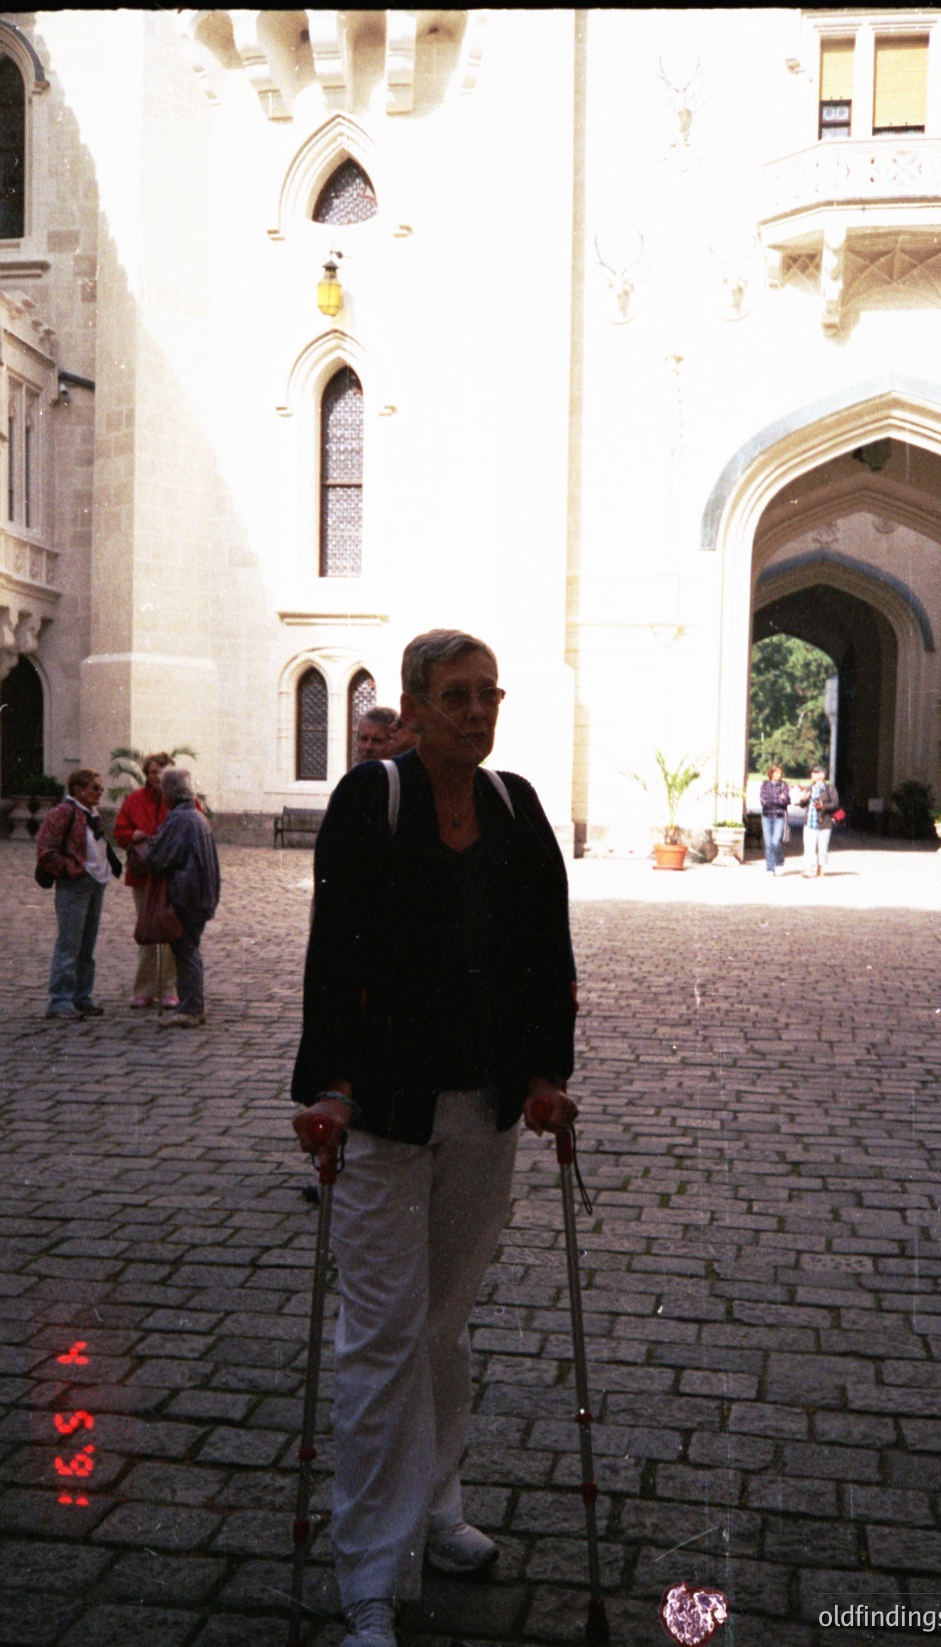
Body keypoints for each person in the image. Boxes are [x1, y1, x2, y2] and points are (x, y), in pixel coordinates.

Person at [291, 628, 577, 1647]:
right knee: (379, 1337)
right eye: (454, 696)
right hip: (382, 1110)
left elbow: (548, 949)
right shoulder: (374, 802)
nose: (475, 711)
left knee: (445, 1325)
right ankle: (370, 1567)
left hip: (484, 1104)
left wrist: (548, 1073)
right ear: (410, 708)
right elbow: (337, 949)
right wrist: (326, 1083)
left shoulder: (515, 805)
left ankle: (439, 1506)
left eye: (486, 694)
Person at [36, 768, 121, 1020]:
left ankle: (81, 996)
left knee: (87, 945)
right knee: (70, 943)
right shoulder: (63, 813)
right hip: (76, 884)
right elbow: (45, 850)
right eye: (95, 788)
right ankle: (59, 1000)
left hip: (96, 883)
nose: (100, 792)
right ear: (78, 790)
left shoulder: (92, 813)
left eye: (100, 788)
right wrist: (72, 870)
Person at [143, 767, 221, 1028]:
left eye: (162, 790)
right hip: (200, 895)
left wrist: (145, 849)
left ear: (170, 792)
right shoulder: (195, 816)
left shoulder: (180, 819)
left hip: (186, 896)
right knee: (189, 950)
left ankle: (190, 1008)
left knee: (185, 951)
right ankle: (193, 1006)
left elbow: (159, 858)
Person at [113, 752, 179, 1010]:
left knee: (171, 933)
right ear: (146, 774)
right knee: (147, 931)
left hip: (172, 876)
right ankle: (144, 990)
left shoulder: (181, 800)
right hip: (143, 876)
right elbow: (119, 831)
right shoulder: (134, 800)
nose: (157, 777)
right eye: (153, 772)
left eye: (162, 772)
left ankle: (169, 989)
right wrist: (134, 834)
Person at [798, 764, 839, 878]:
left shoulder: (829, 788)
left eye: (815, 773)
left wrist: (823, 806)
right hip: (809, 823)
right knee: (809, 848)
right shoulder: (809, 788)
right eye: (812, 773)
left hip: (824, 823)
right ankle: (809, 869)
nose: (812, 775)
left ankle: (820, 868)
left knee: (822, 848)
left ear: (822, 775)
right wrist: (803, 799)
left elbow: (835, 805)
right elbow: (802, 804)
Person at [759, 763, 791, 876]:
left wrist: (773, 799)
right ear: (771, 773)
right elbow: (763, 802)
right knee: (768, 843)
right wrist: (777, 798)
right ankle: (770, 868)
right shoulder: (765, 785)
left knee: (776, 842)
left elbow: (784, 800)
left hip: (779, 817)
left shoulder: (784, 785)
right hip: (766, 816)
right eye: (776, 772)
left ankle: (779, 862)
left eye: (780, 773)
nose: (778, 775)